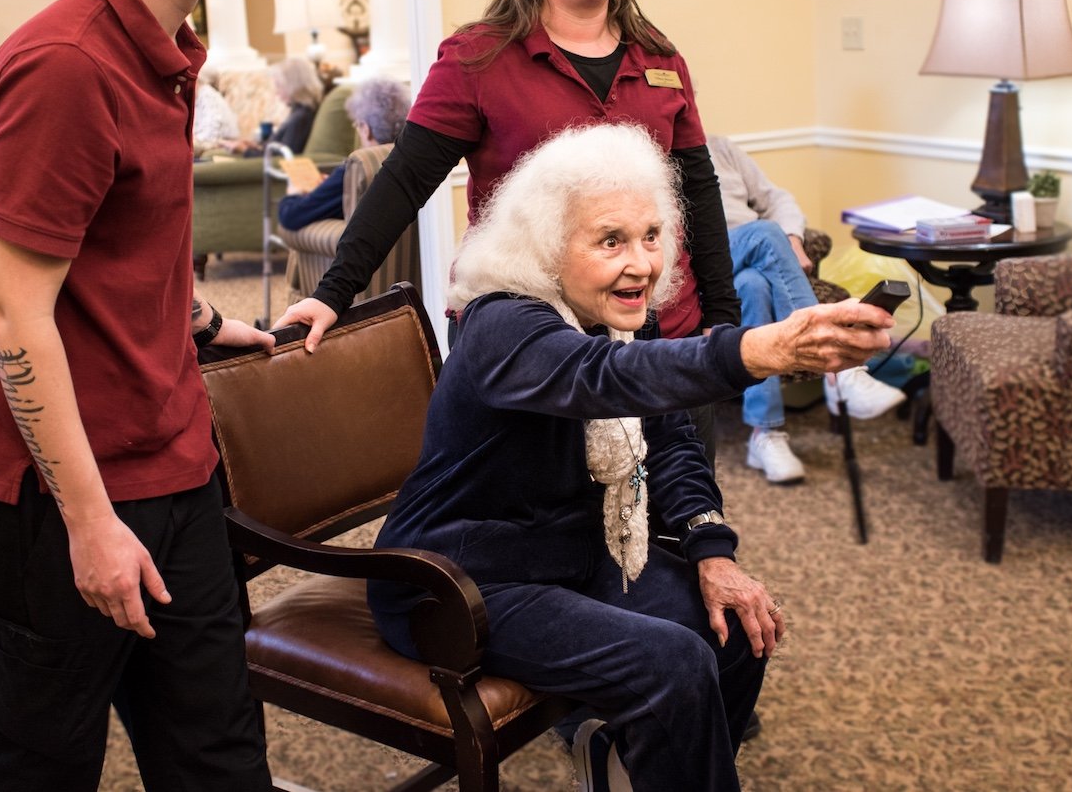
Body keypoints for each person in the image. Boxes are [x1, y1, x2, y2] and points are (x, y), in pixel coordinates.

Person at [368, 123, 894, 792]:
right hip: (455, 579)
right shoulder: (502, 324)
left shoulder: (621, 315)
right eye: (611, 240)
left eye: (652, 236)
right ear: (548, 247)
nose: (642, 262)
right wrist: (759, 350)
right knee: (669, 662)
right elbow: (604, 378)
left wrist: (712, 549)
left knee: (733, 627)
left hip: (567, 551)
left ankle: (628, 767)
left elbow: (668, 438)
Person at [0, 0, 274, 789]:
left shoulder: (166, 48)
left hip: (174, 466)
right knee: (42, 766)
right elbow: (12, 311)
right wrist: (90, 521)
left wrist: (202, 323)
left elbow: (124, 246)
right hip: (54, 496)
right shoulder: (68, 66)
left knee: (219, 757)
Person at [275, 0, 741, 460]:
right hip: (535, 342)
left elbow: (697, 190)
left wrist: (721, 319)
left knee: (676, 510)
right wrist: (334, 291)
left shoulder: (660, 58)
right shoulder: (479, 57)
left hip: (661, 333)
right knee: (544, 530)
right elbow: (404, 182)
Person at [709, 134, 905, 484]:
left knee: (754, 287)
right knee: (766, 235)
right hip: (702, 264)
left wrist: (794, 240)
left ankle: (764, 434)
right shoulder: (652, 153)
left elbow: (776, 198)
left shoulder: (719, 147)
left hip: (748, 262)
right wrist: (773, 239)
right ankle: (839, 371)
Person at [276, 75, 410, 230]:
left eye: (357, 125)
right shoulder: (411, 158)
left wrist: (293, 194)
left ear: (366, 130)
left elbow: (291, 216)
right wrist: (327, 186)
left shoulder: (353, 171)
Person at [267, 55, 323, 153]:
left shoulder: (301, 117)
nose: (277, 92)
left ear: (291, 86)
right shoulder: (301, 111)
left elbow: (283, 156)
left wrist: (246, 151)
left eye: (279, 86)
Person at [191, 61, 246, 157]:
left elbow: (211, 134)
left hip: (221, 146)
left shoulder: (207, 94)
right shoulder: (199, 97)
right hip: (210, 144)